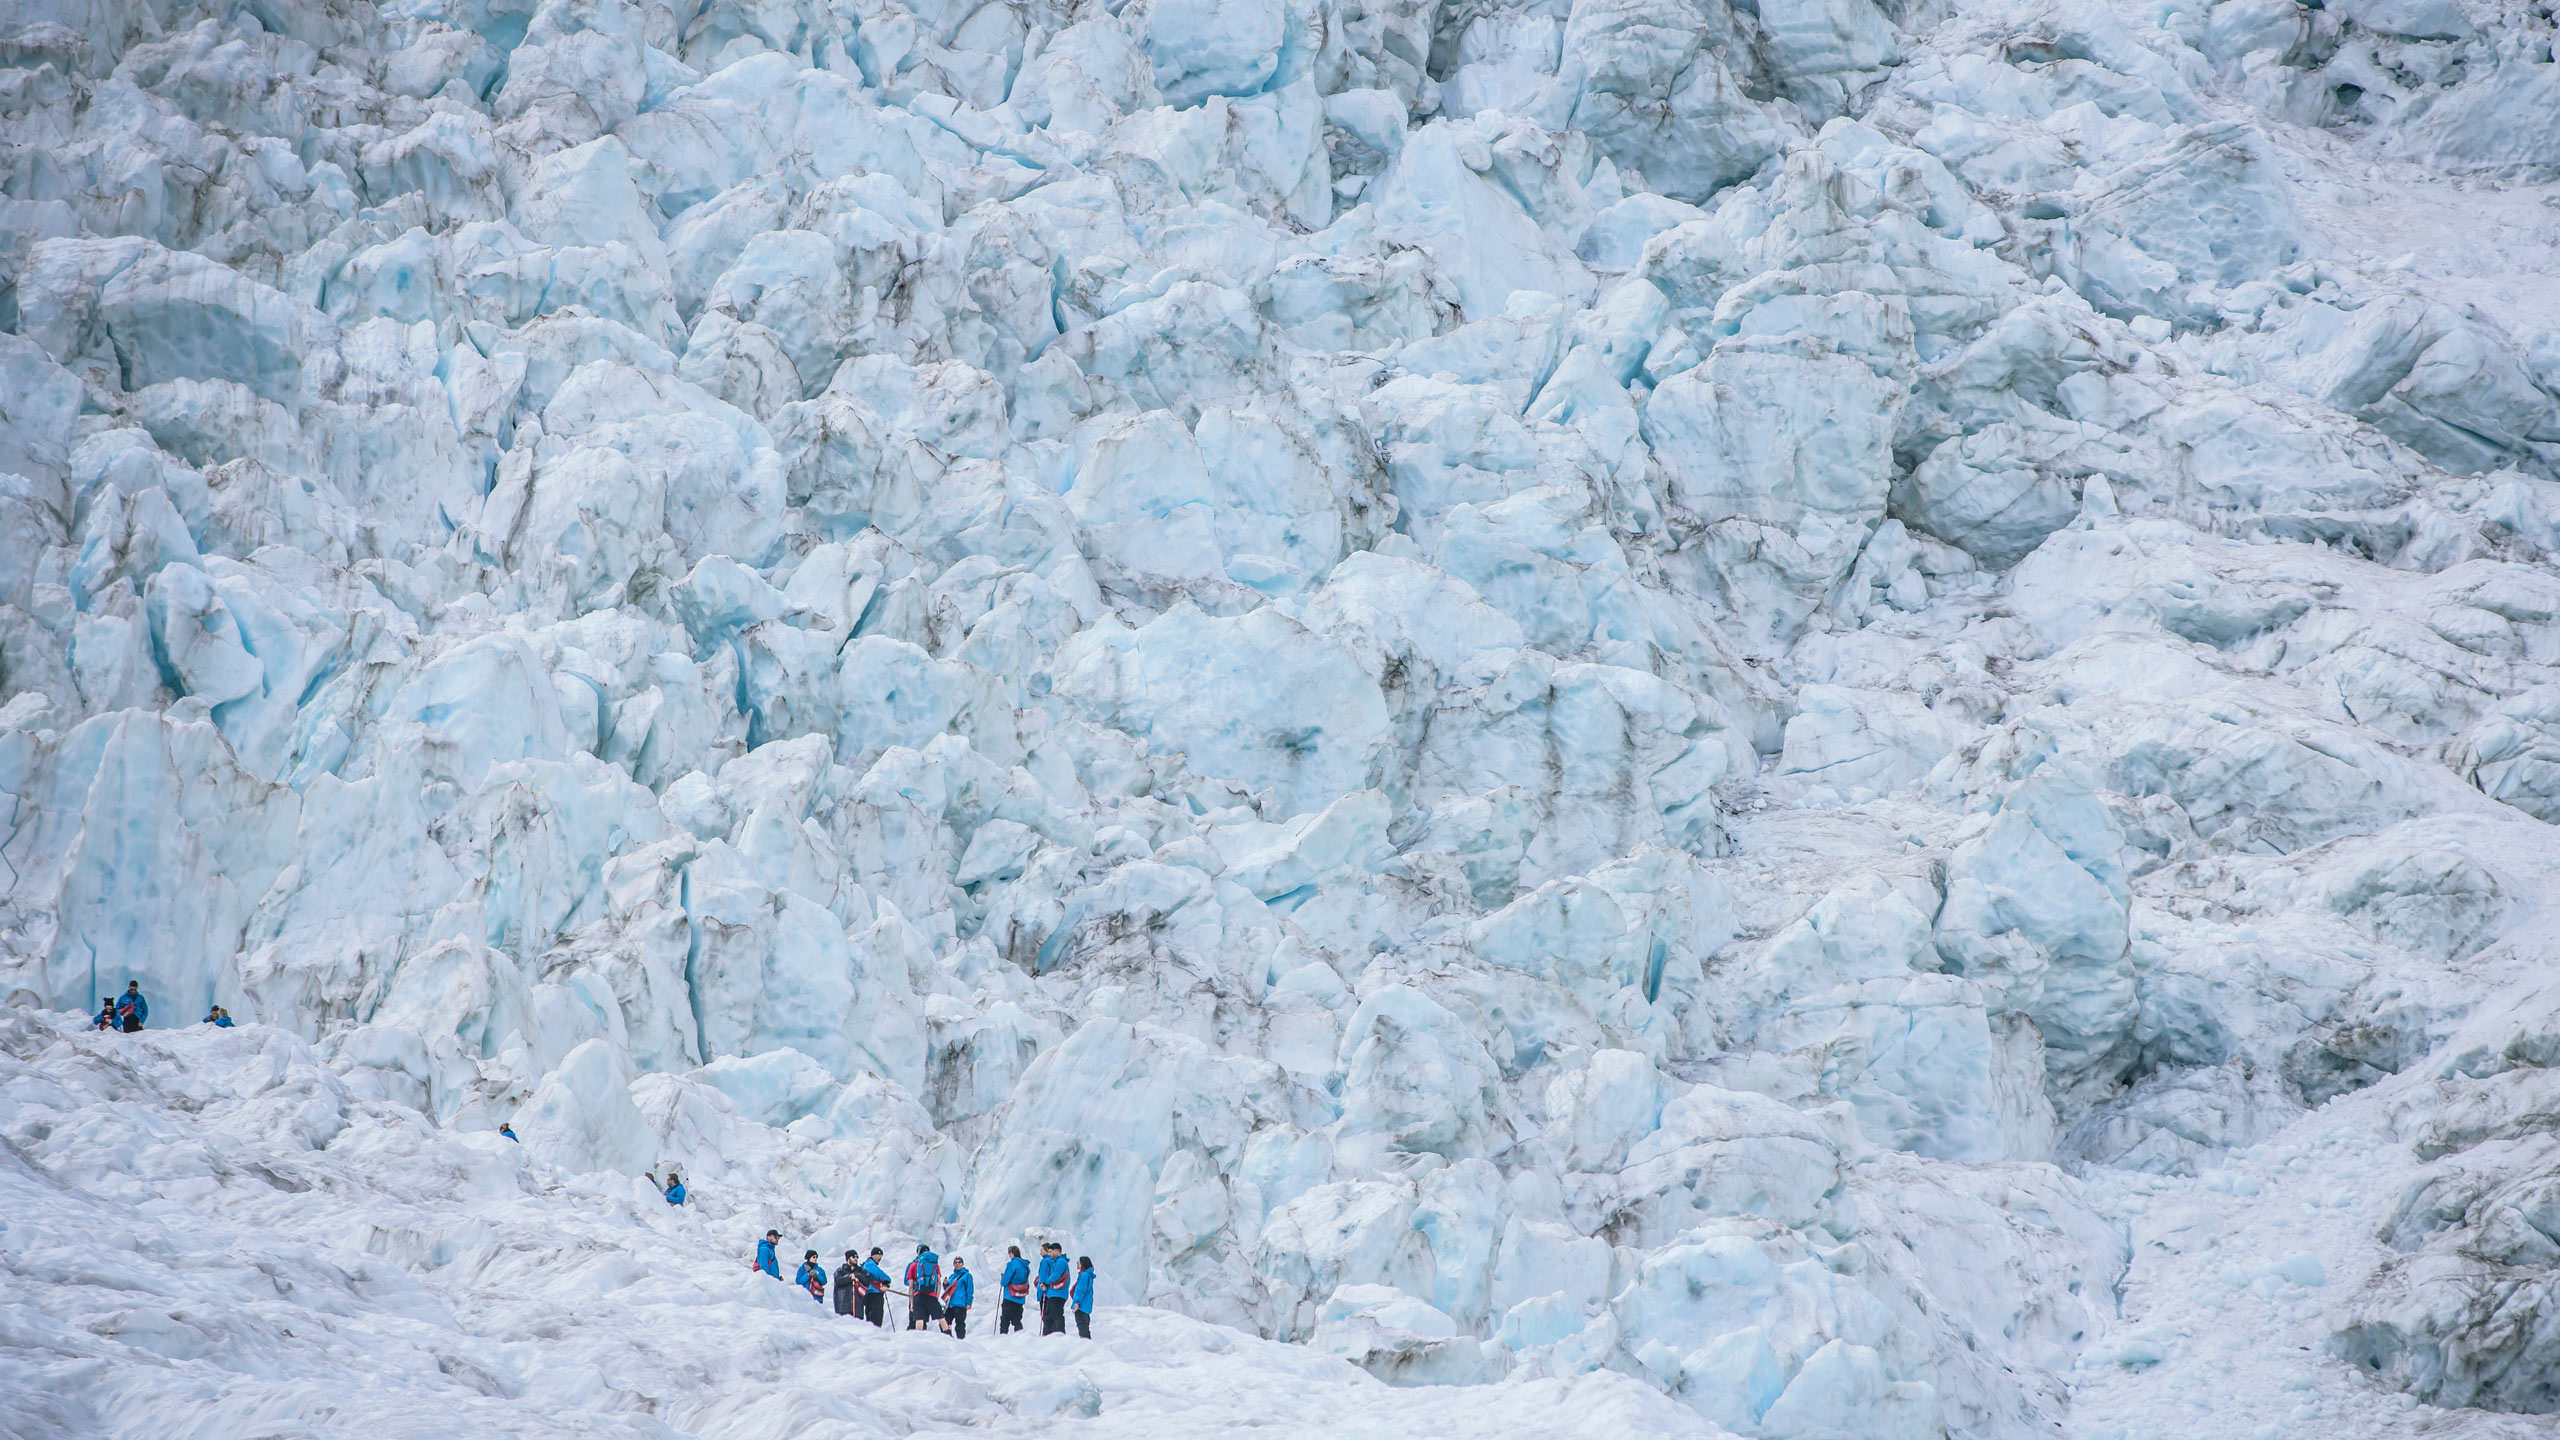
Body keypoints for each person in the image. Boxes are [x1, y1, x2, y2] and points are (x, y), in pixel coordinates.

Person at [1036, 1242, 1071, 1336]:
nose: (1049, 1254)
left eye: (1051, 1251)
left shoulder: (1061, 1262)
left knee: (1055, 1315)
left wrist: (1045, 1282)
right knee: (1049, 1315)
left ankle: (1058, 1335)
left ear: (1057, 1251)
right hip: (1053, 1293)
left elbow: (1055, 1276)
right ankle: (1051, 1335)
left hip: (1057, 1293)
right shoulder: (1057, 1262)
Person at [905, 1243, 942, 1330]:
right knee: (927, 1318)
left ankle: (913, 1337)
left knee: (915, 1318)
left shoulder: (913, 1265)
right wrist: (936, 1296)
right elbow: (938, 1282)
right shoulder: (934, 1265)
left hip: (916, 1295)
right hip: (931, 1295)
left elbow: (907, 1282)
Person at [998, 1245, 1030, 1334]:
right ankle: (1021, 1337)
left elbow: (1004, 1281)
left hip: (1010, 1296)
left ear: (1012, 1253)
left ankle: (1002, 1338)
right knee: (1017, 1320)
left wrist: (1003, 1279)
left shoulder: (1012, 1264)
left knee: (1005, 1320)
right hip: (1021, 1297)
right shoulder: (1025, 1265)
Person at [858, 1248, 892, 1326]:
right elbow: (879, 1274)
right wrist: (886, 1280)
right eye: (878, 1255)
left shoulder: (867, 1264)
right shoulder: (870, 1264)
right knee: (876, 1317)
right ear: (873, 1255)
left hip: (869, 1294)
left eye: (881, 1255)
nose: (880, 1257)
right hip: (874, 1294)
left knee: (871, 1317)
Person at [942, 1256, 973, 1339]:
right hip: (951, 1304)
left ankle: (961, 1341)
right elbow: (948, 1290)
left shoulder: (967, 1275)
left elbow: (969, 1290)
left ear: (962, 1264)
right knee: (944, 1323)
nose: (957, 1264)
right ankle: (949, 1338)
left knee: (960, 1325)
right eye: (955, 1262)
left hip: (961, 1304)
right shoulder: (952, 1276)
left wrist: (969, 1302)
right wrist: (945, 1284)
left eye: (959, 1262)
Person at [1072, 1256, 1096, 1339]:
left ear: (1083, 1264)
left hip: (1081, 1306)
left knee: (1082, 1327)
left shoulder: (1084, 1275)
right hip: (1086, 1305)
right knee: (1084, 1326)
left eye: (1078, 1262)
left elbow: (1081, 1290)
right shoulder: (1088, 1275)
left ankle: (1086, 1345)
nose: (1077, 1264)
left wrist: (1077, 1302)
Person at [833, 1251, 859, 1317]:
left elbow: (867, 1280)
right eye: (853, 1257)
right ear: (848, 1259)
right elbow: (838, 1280)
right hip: (843, 1307)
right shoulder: (840, 1271)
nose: (855, 1259)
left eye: (857, 1257)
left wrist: (856, 1275)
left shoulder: (861, 1271)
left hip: (858, 1309)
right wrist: (850, 1278)